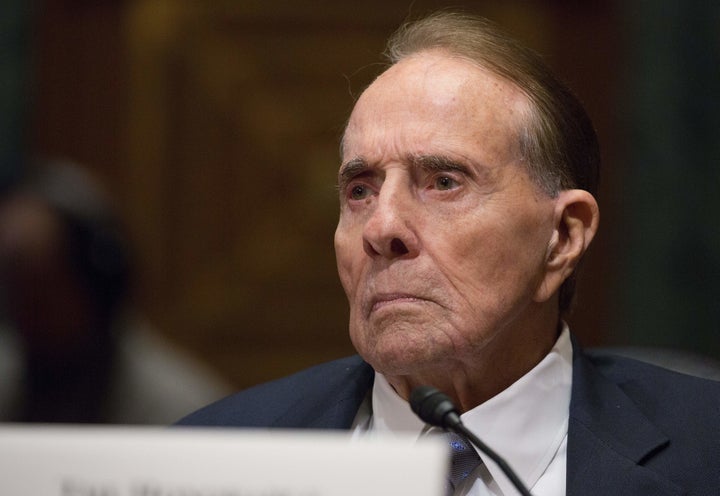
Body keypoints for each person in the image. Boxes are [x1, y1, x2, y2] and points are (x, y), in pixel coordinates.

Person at [177, 11, 720, 495]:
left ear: (563, 237)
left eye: (443, 181)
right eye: (360, 189)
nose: (382, 227)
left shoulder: (706, 453)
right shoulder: (201, 461)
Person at [0, 160, 232, 424]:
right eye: (12, 289)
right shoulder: (7, 382)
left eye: (41, 294)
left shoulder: (181, 409)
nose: (23, 314)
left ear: (98, 284)